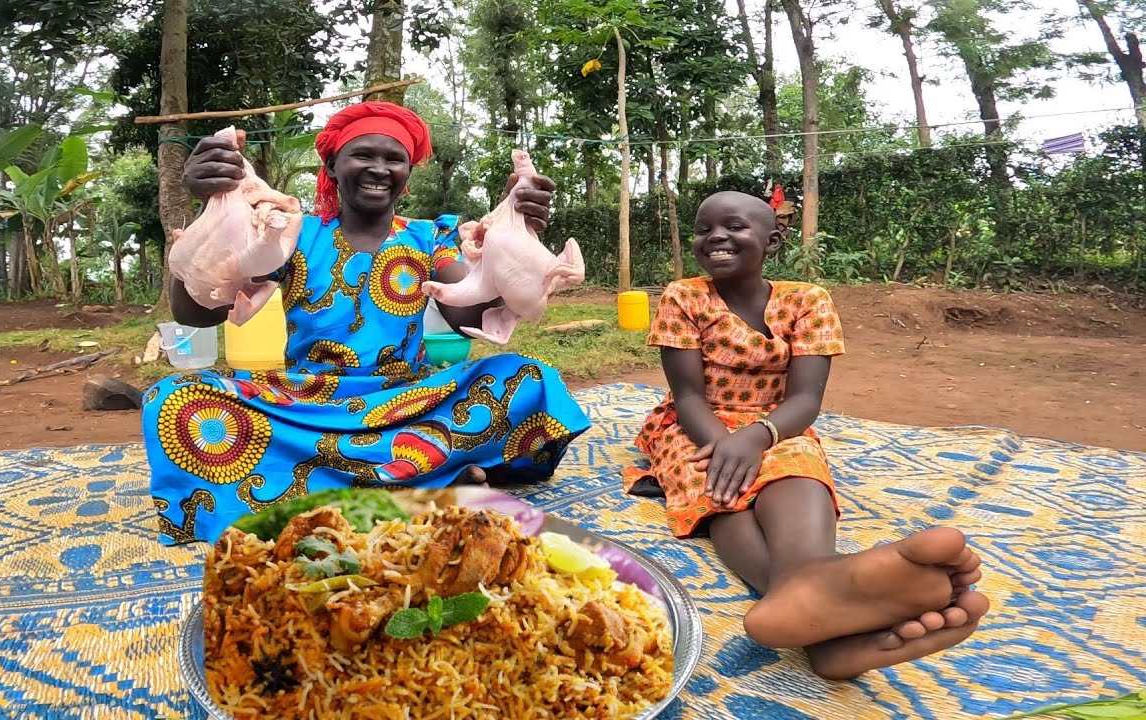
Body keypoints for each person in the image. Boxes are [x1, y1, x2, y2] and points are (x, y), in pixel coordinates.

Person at [143, 101, 590, 546]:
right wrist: (213, 209)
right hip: (307, 407)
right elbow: (195, 314)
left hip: (410, 402)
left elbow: (467, 315)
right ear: (333, 165)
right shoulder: (291, 231)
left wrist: (512, 241)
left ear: (408, 174)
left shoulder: (430, 236)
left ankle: (326, 489)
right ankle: (426, 476)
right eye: (364, 155)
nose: (379, 168)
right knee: (172, 400)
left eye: (394, 158)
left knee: (529, 378)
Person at [622, 191, 990, 680]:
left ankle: (814, 608)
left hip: (779, 421)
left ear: (772, 240)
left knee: (797, 471)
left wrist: (759, 435)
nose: (717, 237)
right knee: (722, 494)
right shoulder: (683, 296)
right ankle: (826, 613)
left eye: (735, 227)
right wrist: (726, 443)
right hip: (695, 423)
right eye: (704, 228)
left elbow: (805, 400)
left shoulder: (808, 301)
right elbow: (687, 395)